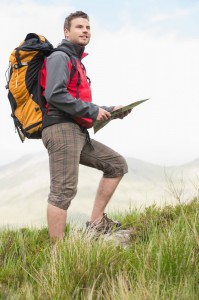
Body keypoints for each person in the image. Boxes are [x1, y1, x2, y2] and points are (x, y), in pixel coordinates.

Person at [40, 11, 132, 240]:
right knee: (63, 192)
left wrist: (111, 111)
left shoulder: (75, 60)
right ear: (66, 31)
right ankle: (58, 257)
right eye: (79, 26)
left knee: (116, 165)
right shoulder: (60, 57)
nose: (85, 31)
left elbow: (76, 100)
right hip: (61, 129)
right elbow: (55, 94)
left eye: (88, 27)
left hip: (77, 131)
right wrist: (92, 111)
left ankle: (97, 223)